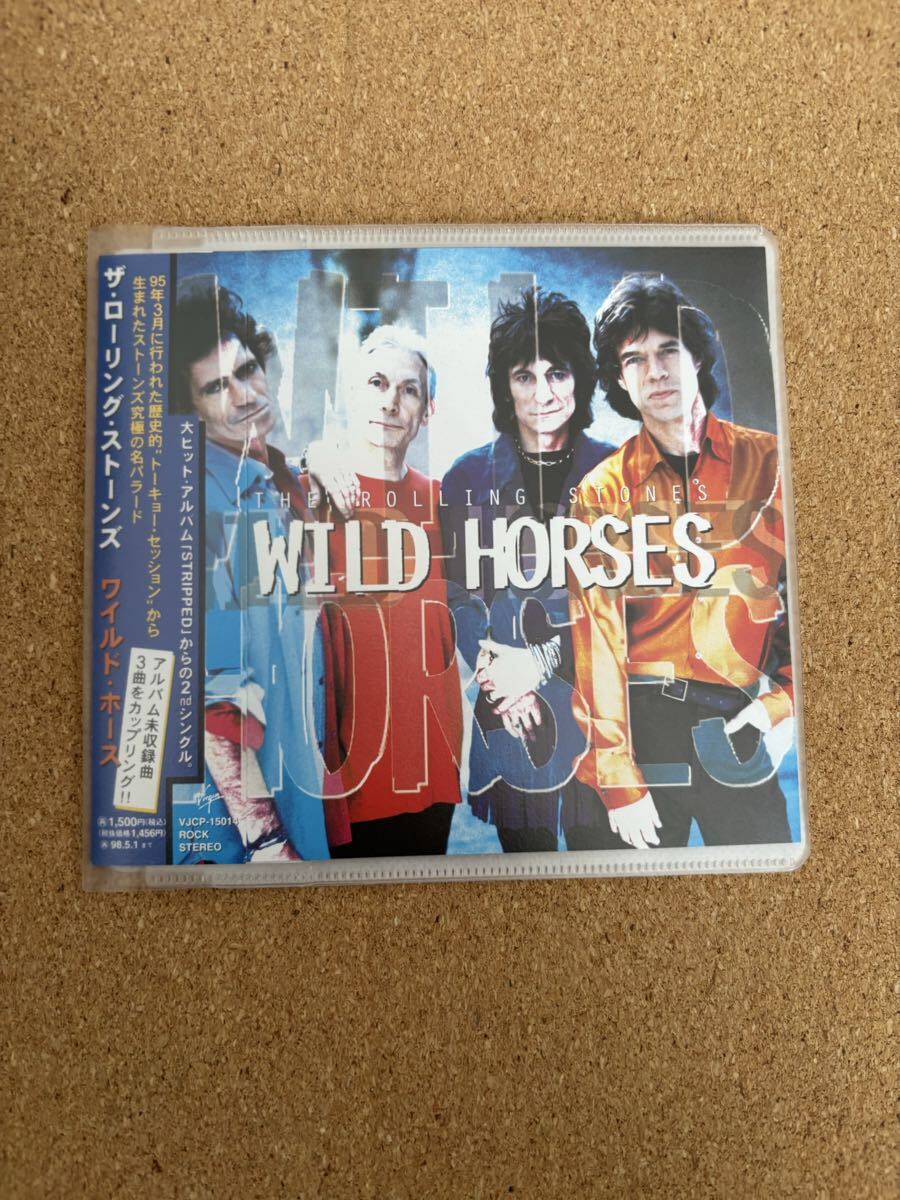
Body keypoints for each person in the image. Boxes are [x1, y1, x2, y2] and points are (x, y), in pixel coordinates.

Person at [569, 273, 794, 850]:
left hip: (737, 719)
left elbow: (815, 605)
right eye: (634, 359)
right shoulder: (601, 492)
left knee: (769, 891)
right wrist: (617, 778)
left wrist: (782, 703)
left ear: (696, 355)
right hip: (641, 727)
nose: (656, 372)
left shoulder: (772, 466)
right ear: (620, 379)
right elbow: (598, 641)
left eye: (668, 350)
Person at [439, 288, 617, 853]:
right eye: (525, 376)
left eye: (557, 373)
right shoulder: (467, 478)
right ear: (504, 386)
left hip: (600, 709)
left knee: (602, 865)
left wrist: (539, 665)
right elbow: (460, 597)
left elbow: (625, 604)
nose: (543, 393)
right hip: (513, 714)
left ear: (580, 379)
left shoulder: (615, 469)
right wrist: (506, 685)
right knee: (528, 869)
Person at [171, 280, 334, 863]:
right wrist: (266, 839)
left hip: (295, 796)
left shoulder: (274, 477)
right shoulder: (207, 506)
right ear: (191, 409)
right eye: (216, 387)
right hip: (242, 837)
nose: (243, 396)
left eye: (246, 370)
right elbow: (215, 701)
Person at [305, 325, 463, 857]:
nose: (391, 402)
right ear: (352, 394)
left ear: (427, 411)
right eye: (376, 383)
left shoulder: (444, 503)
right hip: (340, 776)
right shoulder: (308, 497)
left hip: (429, 769)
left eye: (408, 389)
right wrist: (310, 456)